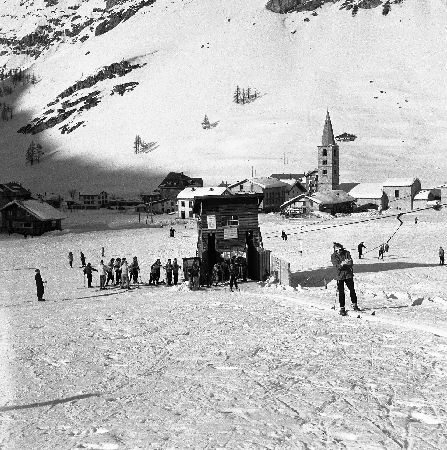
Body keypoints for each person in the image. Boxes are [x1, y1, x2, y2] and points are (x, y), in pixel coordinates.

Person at [331, 242, 360, 316]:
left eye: (340, 249)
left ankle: (354, 304)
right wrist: (342, 264)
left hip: (348, 275)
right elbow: (336, 266)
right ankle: (342, 308)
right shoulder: (334, 256)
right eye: (337, 250)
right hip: (340, 276)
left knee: (352, 290)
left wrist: (347, 263)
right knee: (341, 292)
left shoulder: (346, 253)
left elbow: (351, 263)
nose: (339, 251)